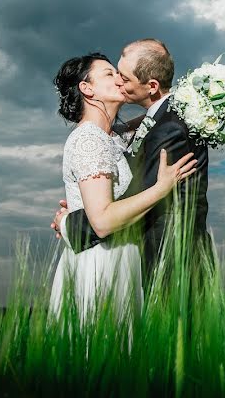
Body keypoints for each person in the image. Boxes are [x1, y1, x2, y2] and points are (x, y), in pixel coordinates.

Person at [52, 39, 214, 289]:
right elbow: (106, 217)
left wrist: (70, 223)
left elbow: (126, 193)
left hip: (137, 258)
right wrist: (161, 188)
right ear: (86, 88)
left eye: (121, 76)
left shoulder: (123, 136)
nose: (118, 79)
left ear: (151, 86)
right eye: (111, 73)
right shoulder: (89, 139)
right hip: (102, 261)